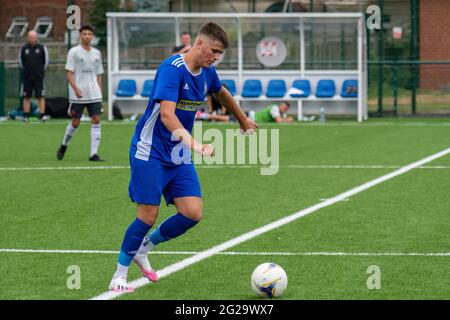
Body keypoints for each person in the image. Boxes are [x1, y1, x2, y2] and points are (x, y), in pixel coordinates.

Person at [108, 22, 258, 292]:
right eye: (213, 51)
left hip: (177, 152)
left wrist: (243, 119)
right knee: (147, 215)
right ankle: (119, 275)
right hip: (150, 150)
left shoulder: (206, 72)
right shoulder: (171, 70)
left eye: (219, 54)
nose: (215, 57)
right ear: (199, 43)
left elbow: (221, 92)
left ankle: (145, 247)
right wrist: (195, 145)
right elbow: (167, 115)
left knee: (192, 212)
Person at [56, 25, 105, 162]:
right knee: (75, 122)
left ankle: (93, 154)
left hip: (94, 93)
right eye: (84, 34)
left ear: (92, 36)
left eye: (89, 34)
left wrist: (99, 90)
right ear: (80, 36)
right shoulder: (74, 52)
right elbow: (69, 73)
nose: (87, 36)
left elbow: (99, 74)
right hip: (78, 95)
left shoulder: (97, 53)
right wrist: (76, 89)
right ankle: (64, 145)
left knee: (96, 119)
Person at [19, 30, 49, 122]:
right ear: (28, 38)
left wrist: (39, 71)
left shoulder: (42, 48)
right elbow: (21, 63)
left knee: (40, 96)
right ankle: (26, 116)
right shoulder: (24, 49)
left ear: (36, 38)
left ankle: (42, 115)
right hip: (27, 77)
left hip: (38, 77)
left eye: (34, 37)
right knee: (26, 97)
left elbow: (46, 62)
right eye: (30, 37)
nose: (32, 39)